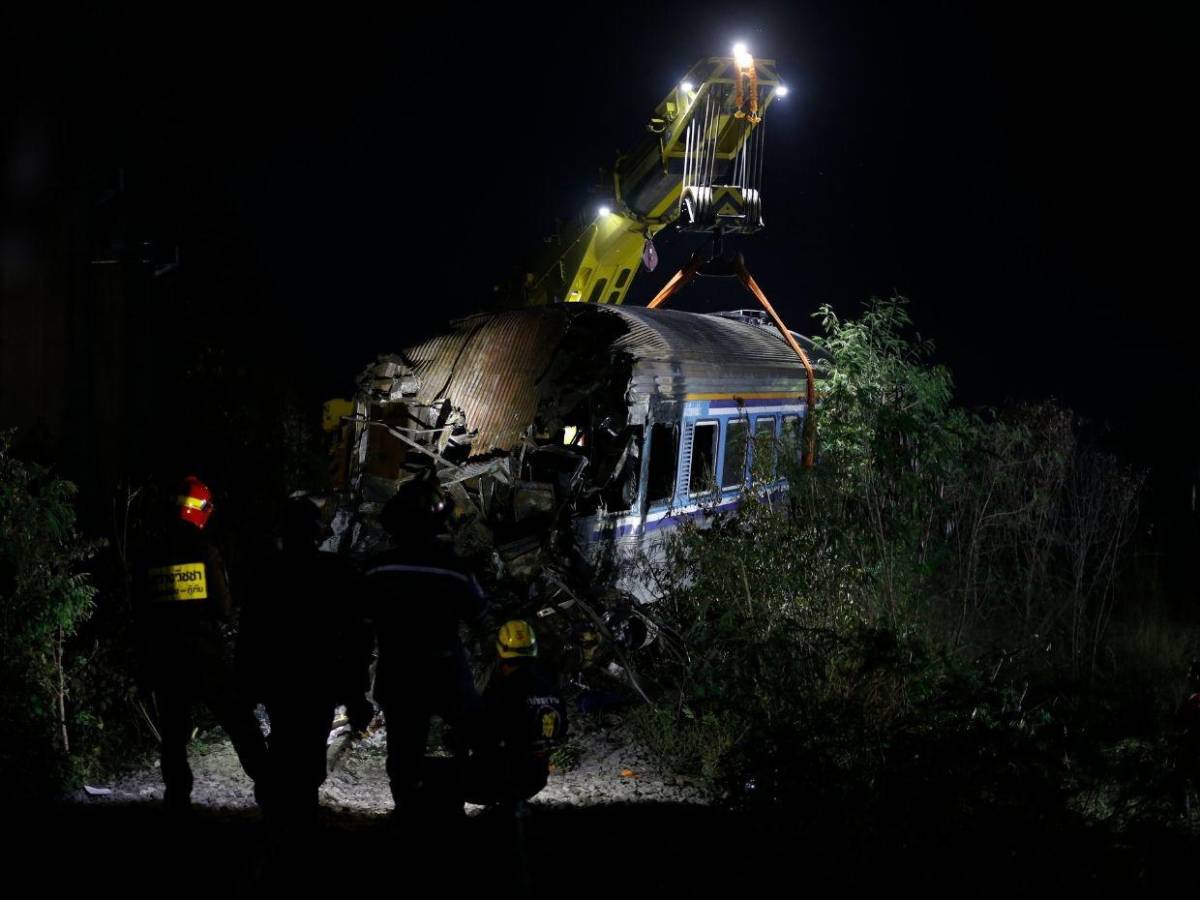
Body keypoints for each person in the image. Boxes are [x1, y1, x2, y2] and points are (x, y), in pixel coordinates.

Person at [132, 475, 268, 813]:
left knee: (173, 736)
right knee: (239, 721)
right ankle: (268, 782)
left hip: (165, 656)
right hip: (205, 655)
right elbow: (223, 608)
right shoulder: (204, 549)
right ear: (203, 510)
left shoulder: (151, 553)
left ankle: (177, 798)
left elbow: (141, 610)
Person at [237, 496, 374, 825]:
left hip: (280, 680)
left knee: (286, 742)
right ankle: (297, 823)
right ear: (316, 532)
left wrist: (244, 683)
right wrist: (356, 693)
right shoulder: (336, 572)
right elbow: (357, 634)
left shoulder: (266, 571)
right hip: (319, 680)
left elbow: (250, 634)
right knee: (309, 749)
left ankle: (283, 820)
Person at [363, 474, 488, 817]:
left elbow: (360, 625)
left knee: (403, 751)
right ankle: (467, 797)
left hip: (398, 674)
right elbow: (481, 614)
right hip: (447, 674)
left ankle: (406, 808)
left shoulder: (377, 570)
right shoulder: (456, 570)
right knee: (478, 736)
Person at [459, 619, 567, 812]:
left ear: (501, 649)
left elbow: (484, 733)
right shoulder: (549, 685)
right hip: (538, 777)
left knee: (436, 774)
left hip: (505, 779)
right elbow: (562, 728)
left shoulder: (506, 688)